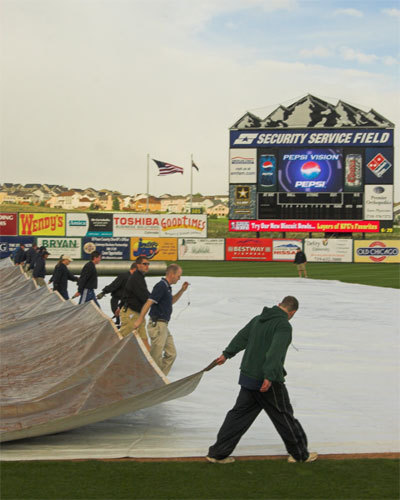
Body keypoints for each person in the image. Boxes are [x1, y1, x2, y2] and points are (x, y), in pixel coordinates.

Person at [206, 296, 317, 464]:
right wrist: (269, 376)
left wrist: (226, 354)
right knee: (284, 416)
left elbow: (242, 337)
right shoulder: (283, 325)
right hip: (266, 380)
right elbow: (275, 352)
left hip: (248, 376)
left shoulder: (258, 319)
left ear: (279, 304)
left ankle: (217, 454)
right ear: (292, 312)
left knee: (238, 416)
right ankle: (300, 454)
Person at [133, 263, 189, 375]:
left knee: (171, 354)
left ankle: (159, 379)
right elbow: (149, 302)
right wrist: (140, 319)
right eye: (178, 276)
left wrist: (182, 290)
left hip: (164, 326)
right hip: (157, 325)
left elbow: (171, 301)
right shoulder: (161, 286)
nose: (179, 279)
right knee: (155, 357)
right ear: (172, 274)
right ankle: (150, 380)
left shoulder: (167, 287)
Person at [119, 257, 151, 350]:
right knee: (121, 342)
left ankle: (149, 363)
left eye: (148, 264)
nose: (147, 266)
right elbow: (145, 296)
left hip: (138, 315)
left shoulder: (139, 277)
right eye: (144, 264)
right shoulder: (136, 278)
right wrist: (156, 300)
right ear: (138, 265)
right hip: (131, 315)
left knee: (145, 344)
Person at [97, 262, 137, 329]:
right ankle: (118, 322)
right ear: (135, 269)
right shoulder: (124, 276)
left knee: (121, 312)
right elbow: (114, 285)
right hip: (117, 298)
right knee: (116, 310)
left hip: (125, 300)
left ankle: (120, 323)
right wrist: (104, 292)